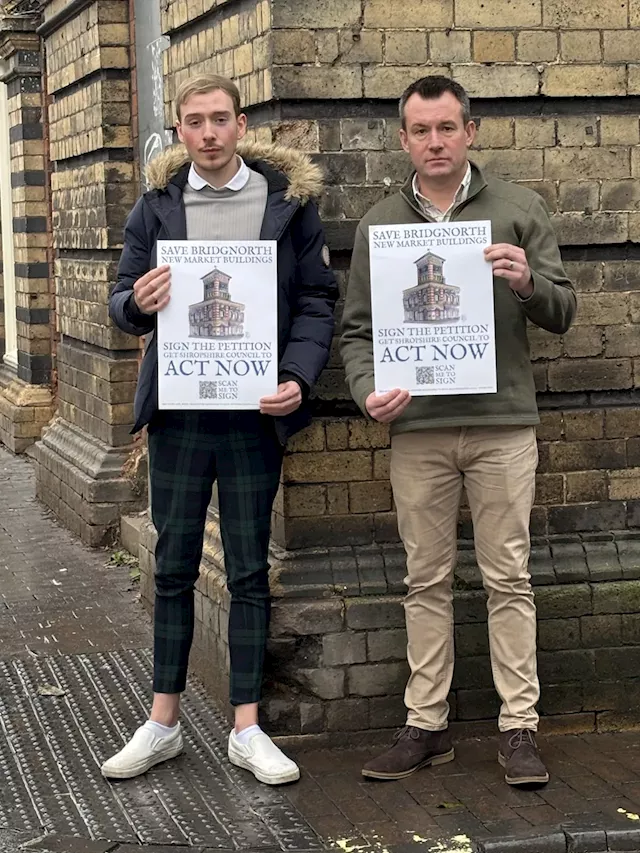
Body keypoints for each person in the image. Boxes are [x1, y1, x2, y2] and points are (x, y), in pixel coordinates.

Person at [340, 75, 576, 787]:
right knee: (425, 578)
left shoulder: (518, 208)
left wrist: (529, 282)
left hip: (503, 424)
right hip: (418, 429)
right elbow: (356, 331)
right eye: (421, 130)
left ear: (471, 131)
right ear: (403, 138)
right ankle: (426, 723)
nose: (435, 142)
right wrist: (365, 389)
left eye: (447, 128)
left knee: (509, 575)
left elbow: (564, 311)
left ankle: (519, 726)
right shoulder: (379, 223)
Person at [104, 74, 337, 785]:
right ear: (180, 131)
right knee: (172, 565)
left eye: (219, 120)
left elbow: (318, 302)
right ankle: (162, 721)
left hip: (253, 413)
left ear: (240, 124)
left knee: (247, 570)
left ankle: (246, 726)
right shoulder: (155, 207)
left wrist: (297, 376)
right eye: (194, 121)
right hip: (178, 412)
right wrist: (136, 303)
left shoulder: (288, 205)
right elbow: (119, 295)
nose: (207, 133)